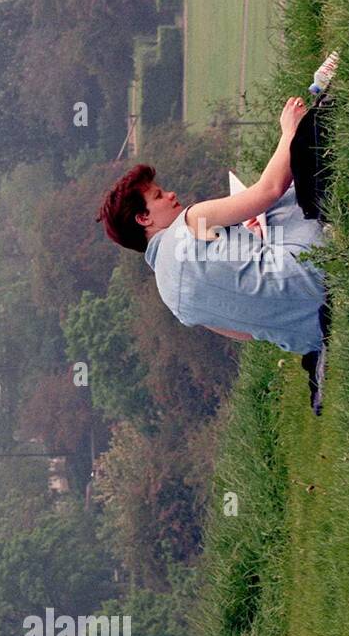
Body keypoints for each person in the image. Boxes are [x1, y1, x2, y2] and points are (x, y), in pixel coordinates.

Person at [96, 97, 332, 414]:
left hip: (313, 332)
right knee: (277, 199)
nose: (171, 195)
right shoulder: (191, 222)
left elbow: (247, 330)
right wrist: (289, 130)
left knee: (267, 220)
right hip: (319, 270)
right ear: (144, 219)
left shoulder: (173, 301)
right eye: (158, 196)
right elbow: (269, 189)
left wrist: (253, 244)